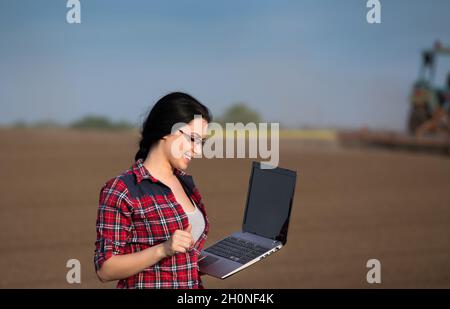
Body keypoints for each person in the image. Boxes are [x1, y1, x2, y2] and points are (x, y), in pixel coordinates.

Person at [94, 92, 212, 288]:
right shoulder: (122, 190)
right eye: (192, 139)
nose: (197, 151)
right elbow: (105, 269)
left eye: (201, 142)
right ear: (166, 131)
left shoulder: (186, 185)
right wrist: (163, 249)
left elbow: (181, 258)